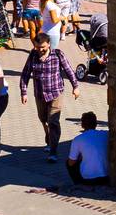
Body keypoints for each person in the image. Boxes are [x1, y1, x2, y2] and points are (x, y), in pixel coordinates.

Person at [19, 32, 79, 163]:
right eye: (38, 47)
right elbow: (25, 74)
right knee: (43, 119)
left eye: (43, 47)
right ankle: (49, 139)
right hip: (40, 94)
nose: (40, 50)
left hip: (56, 93)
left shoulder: (57, 55)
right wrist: (24, 92)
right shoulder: (33, 55)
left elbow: (68, 70)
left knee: (53, 121)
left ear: (49, 45)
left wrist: (75, 86)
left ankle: (53, 151)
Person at [67, 112, 109, 187]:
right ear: (96, 124)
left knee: (68, 162)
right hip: (106, 176)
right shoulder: (105, 134)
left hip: (88, 179)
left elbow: (71, 162)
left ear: (82, 125)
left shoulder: (78, 139)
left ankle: (78, 184)